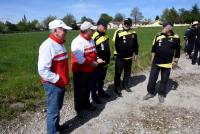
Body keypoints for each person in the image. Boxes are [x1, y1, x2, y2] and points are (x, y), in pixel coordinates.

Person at [38, 19, 72, 134]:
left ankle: (56, 127)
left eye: (66, 30)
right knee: (53, 111)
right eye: (63, 30)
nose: (66, 32)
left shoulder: (60, 43)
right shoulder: (47, 45)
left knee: (57, 107)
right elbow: (42, 70)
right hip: (53, 84)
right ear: (54, 31)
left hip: (60, 83)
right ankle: (52, 132)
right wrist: (57, 79)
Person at [71, 21, 104, 117]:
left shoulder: (91, 40)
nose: (94, 31)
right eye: (92, 29)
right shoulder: (77, 41)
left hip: (90, 70)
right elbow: (80, 59)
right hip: (80, 71)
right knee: (79, 91)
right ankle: (78, 109)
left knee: (87, 89)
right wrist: (92, 63)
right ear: (86, 30)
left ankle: (86, 104)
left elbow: (94, 52)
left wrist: (97, 58)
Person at [143, 21, 180, 103]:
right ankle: (150, 92)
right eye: (164, 27)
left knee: (164, 80)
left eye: (166, 27)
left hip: (167, 63)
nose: (164, 29)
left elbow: (177, 51)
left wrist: (175, 61)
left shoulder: (176, 37)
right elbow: (153, 49)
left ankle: (161, 94)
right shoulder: (158, 35)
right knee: (152, 78)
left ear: (171, 27)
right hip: (156, 62)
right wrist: (152, 60)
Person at [112, 18, 139, 96]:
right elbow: (114, 44)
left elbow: (136, 45)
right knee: (118, 73)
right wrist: (115, 54)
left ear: (131, 24)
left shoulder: (134, 33)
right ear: (123, 24)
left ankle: (125, 85)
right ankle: (117, 87)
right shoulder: (118, 32)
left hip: (129, 58)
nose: (126, 25)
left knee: (127, 73)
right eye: (125, 23)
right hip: (120, 58)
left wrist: (136, 54)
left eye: (128, 24)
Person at [91, 19, 111, 104]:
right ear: (98, 26)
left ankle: (101, 92)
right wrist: (97, 58)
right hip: (97, 63)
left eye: (106, 26)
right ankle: (94, 97)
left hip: (105, 62)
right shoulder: (94, 36)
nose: (106, 27)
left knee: (102, 79)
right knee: (95, 80)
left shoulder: (106, 35)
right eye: (104, 26)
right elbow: (91, 50)